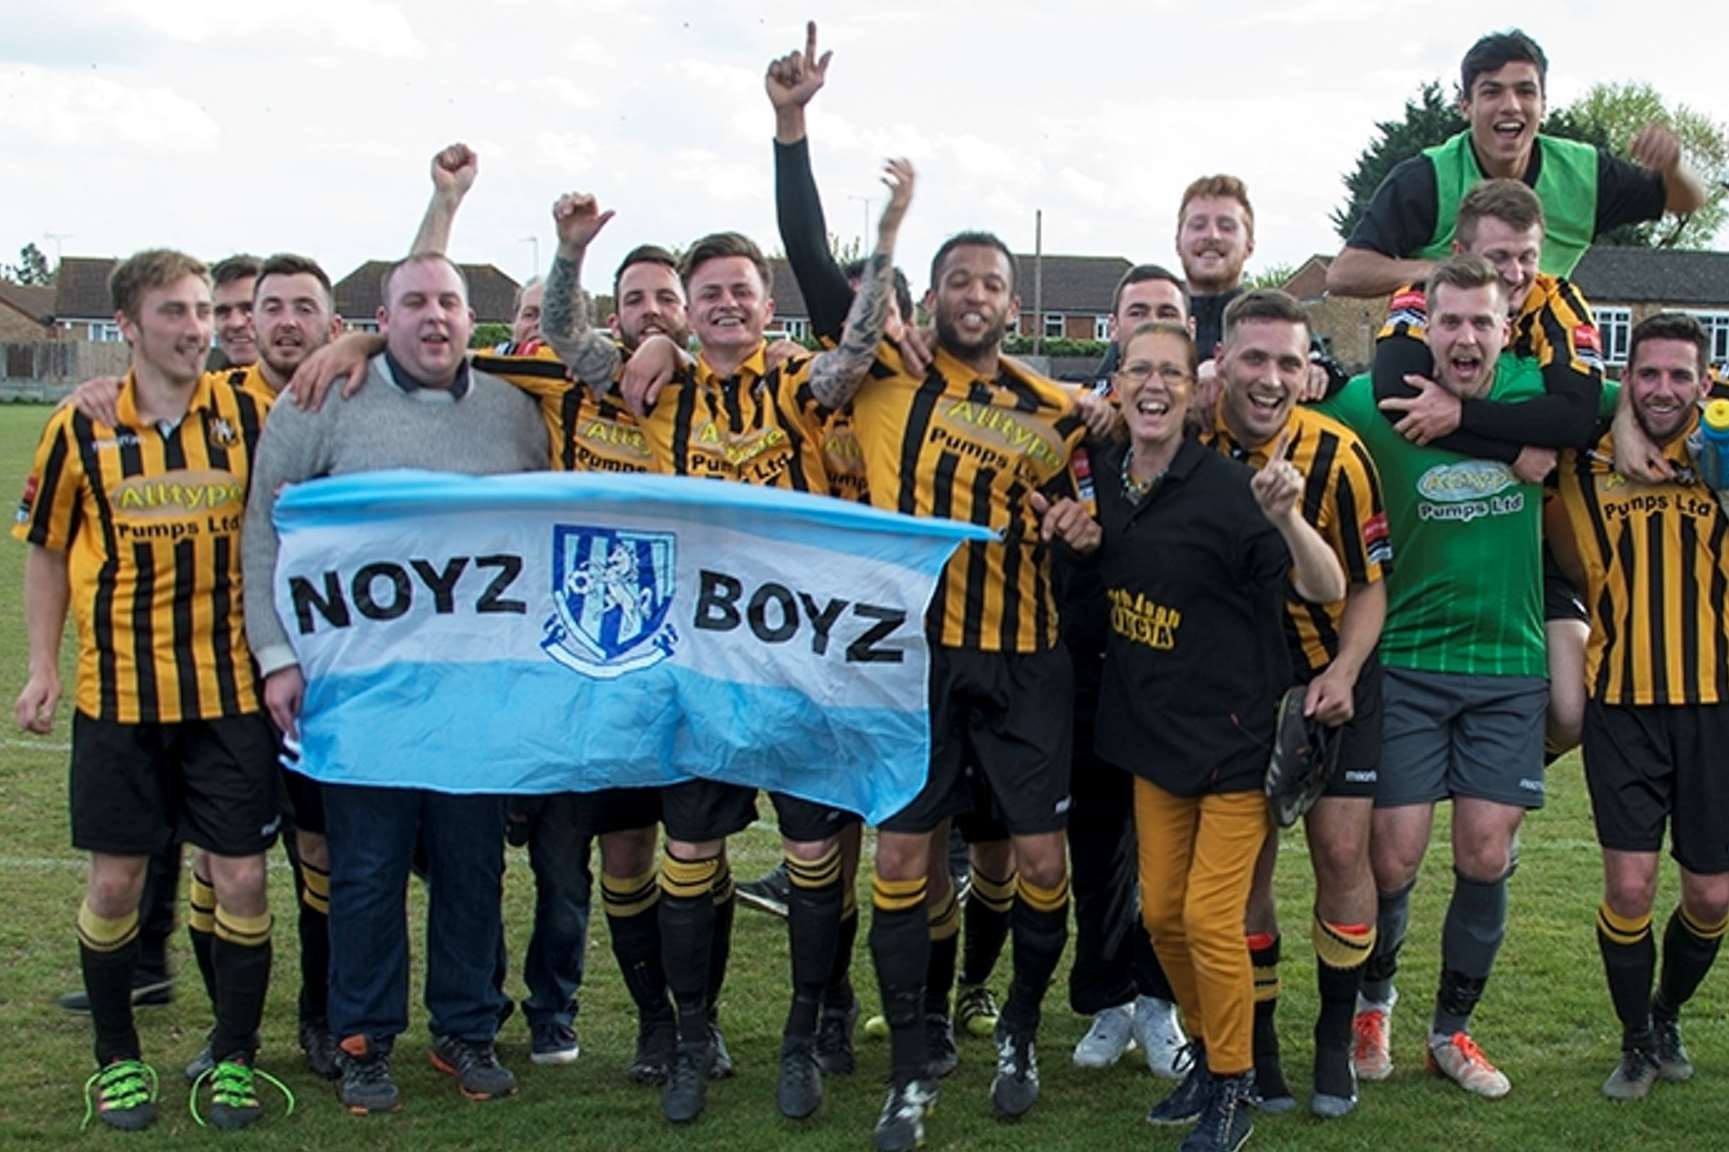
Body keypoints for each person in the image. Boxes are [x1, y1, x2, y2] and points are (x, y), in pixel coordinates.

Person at [754, 25, 1096, 1146]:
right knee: (902, 857)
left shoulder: (1055, 406)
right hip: (911, 661)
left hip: (1028, 657)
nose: (974, 294)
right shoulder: (883, 378)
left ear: (1013, 301)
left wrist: (1084, 510)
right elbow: (809, 259)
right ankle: (908, 1066)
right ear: (931, 294)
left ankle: (1013, 1030)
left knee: (1035, 862)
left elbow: (1116, 502)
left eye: (992, 282)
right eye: (957, 279)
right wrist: (792, 129)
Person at [546, 161, 914, 1126]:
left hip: (796, 663)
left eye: (739, 291)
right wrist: (572, 253)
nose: (723, 305)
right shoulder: (648, 387)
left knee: (811, 851)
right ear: (690, 310)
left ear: (765, 305)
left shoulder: (798, 384)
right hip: (693, 663)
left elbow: (863, 347)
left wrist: (882, 248)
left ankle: (802, 1036)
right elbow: (559, 338)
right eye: (705, 293)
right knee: (690, 848)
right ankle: (690, 1036)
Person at [244, 253, 550, 1115]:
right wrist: (277, 654)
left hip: (475, 689)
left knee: (472, 866)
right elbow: (265, 529)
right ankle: (363, 1039)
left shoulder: (514, 413)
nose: (434, 318)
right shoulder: (318, 401)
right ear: (381, 319)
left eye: (448, 302)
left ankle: (466, 1028)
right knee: (368, 870)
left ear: (470, 318)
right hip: (359, 688)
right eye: (413, 303)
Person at [14, 249, 281, 1131]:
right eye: (173, 311)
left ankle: (234, 1061)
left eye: (204, 310)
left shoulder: (247, 408)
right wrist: (44, 667)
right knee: (119, 885)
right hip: (120, 700)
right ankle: (118, 1061)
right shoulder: (77, 427)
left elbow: (342, 356)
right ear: (127, 326)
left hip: (229, 695)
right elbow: (47, 545)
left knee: (241, 879)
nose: (197, 327)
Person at [1075, 319, 1345, 1152]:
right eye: (1136, 372)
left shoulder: (1232, 488)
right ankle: (1208, 1055)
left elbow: (1326, 583)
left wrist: (1290, 519)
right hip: (1152, 741)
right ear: (1115, 385)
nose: (1151, 386)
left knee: (1207, 916)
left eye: (1168, 373)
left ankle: (1230, 1082)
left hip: (1231, 742)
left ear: (1195, 391)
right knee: (1159, 917)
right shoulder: (1109, 481)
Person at [1319, 254, 1552, 1099]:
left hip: (1507, 664)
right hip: (1406, 661)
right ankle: (1371, 1004)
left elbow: (1614, 408)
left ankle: (1450, 1031)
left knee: (1486, 852)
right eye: (1447, 321)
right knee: (1391, 860)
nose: (1463, 337)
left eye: (1480, 322)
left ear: (1504, 325)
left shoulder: (1538, 396)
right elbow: (1308, 402)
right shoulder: (1377, 403)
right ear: (1426, 326)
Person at [1198, 291, 1391, 1117]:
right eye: (1254, 359)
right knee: (1247, 875)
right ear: (1223, 363)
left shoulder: (1339, 455)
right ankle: (1264, 1040)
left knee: (1343, 858)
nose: (1271, 377)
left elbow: (1370, 588)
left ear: (1307, 366)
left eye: (1288, 361)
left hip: (1332, 679)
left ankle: (1333, 1042)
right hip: (1235, 695)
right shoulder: (1189, 447)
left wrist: (1345, 671)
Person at [1548, 313, 1729, 1100]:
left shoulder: (1723, 438)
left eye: (1679, 375)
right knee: (1627, 889)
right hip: (1620, 702)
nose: (1663, 389)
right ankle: (1632, 1044)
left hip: (1717, 706)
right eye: (1646, 374)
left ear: (1705, 377)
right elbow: (1532, 408)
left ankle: (1665, 1013)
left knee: (1712, 894)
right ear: (1627, 375)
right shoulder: (1585, 454)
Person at [1367, 178, 1606, 760]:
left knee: (1571, 712)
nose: (1519, 272)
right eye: (1500, 257)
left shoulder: (1560, 300)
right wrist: (1510, 450)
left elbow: (1573, 416)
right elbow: (1396, 390)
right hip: (1451, 537)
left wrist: (1459, 414)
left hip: (1545, 531)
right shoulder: (1422, 294)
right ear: (1459, 255)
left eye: (1528, 255)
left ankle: (1513, 766)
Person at [1327, 29, 1705, 298]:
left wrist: (1672, 167)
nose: (1510, 106)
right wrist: (1441, 272)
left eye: (1525, 91)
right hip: (1447, 358)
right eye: (1492, 92)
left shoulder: (1584, 172)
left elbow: (1688, 200)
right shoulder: (1426, 177)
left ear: (1544, 105)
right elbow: (1344, 274)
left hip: (1540, 347)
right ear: (1466, 106)